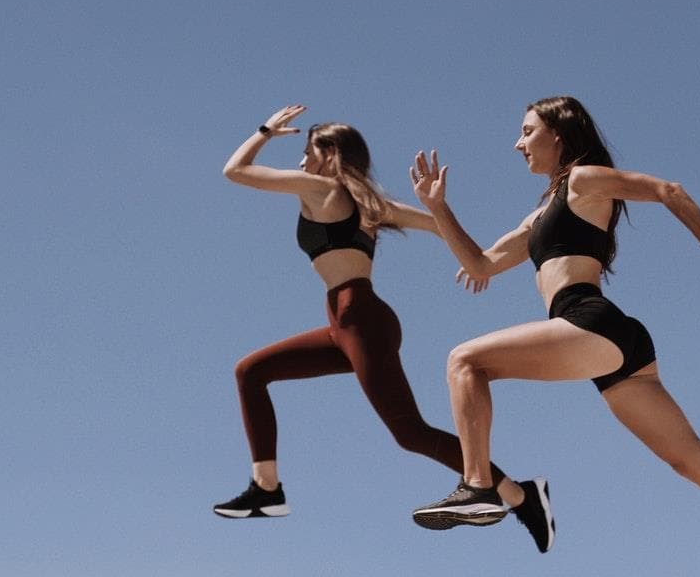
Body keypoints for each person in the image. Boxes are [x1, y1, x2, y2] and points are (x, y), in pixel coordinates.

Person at [408, 95, 700, 577]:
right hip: (613, 345)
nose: (518, 143)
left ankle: (479, 487)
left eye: (527, 131)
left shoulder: (585, 180)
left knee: (464, 361)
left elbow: (667, 190)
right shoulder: (540, 214)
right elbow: (482, 264)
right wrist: (439, 207)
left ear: (558, 134)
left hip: (590, 322)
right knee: (689, 459)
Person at [213, 105, 556, 553]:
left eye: (307, 151)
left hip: (362, 320)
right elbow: (436, 224)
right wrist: (475, 261)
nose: (300, 161)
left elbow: (235, 171)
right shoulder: (373, 206)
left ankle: (520, 495)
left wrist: (264, 131)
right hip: (346, 322)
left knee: (410, 432)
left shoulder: (319, 189)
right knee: (251, 371)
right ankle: (267, 488)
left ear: (329, 153)